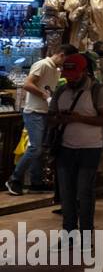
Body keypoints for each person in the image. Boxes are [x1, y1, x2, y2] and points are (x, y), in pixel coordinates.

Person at [48, 52, 103, 235]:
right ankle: (69, 232)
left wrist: (79, 118)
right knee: (66, 194)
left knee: (84, 193)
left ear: (84, 71)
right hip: (65, 149)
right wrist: (58, 119)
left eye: (74, 75)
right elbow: (50, 118)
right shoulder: (61, 90)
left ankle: (86, 233)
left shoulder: (97, 91)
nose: (70, 80)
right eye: (67, 76)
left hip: (90, 149)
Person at [6, 43, 71, 196]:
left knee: (41, 149)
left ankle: (36, 182)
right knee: (35, 148)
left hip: (45, 112)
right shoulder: (42, 64)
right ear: (62, 55)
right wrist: (44, 96)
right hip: (34, 112)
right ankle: (14, 179)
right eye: (67, 60)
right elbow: (27, 84)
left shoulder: (56, 70)